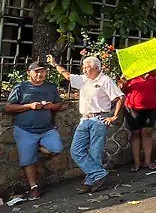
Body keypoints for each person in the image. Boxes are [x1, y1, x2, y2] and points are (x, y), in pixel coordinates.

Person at [47, 54, 124, 193]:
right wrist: (55, 64)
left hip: (99, 118)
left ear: (96, 68)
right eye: (83, 67)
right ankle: (98, 174)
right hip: (85, 119)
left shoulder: (105, 80)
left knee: (95, 152)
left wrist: (114, 116)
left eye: (87, 68)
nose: (84, 70)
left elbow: (120, 97)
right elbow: (67, 75)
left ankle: (92, 180)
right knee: (76, 150)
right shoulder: (84, 80)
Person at [5, 61, 65, 200]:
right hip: (25, 129)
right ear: (29, 73)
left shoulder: (50, 87)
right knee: (28, 161)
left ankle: (37, 147)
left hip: (46, 129)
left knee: (57, 149)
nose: (40, 74)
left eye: (42, 71)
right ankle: (33, 187)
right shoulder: (21, 87)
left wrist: (51, 106)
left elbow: (59, 104)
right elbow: (9, 108)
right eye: (36, 71)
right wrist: (29, 106)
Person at [120, 67, 156, 171]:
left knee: (147, 132)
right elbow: (120, 89)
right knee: (135, 133)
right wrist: (122, 81)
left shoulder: (154, 75)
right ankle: (137, 163)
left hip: (150, 108)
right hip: (133, 108)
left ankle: (147, 161)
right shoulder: (130, 75)